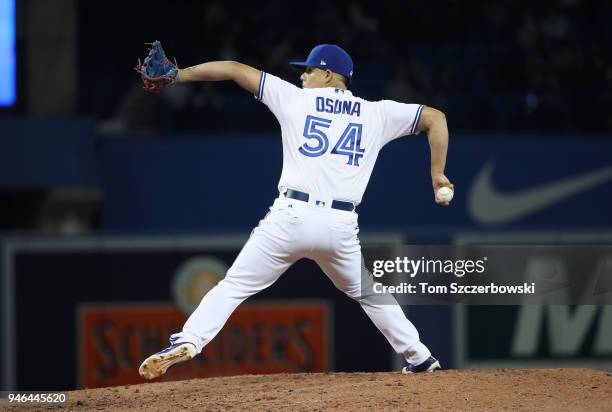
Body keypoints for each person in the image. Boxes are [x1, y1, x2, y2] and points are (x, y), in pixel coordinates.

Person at [139, 44, 453, 379]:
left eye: (308, 70)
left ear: (328, 74)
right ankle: (419, 357)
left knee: (234, 286)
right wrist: (437, 175)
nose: (302, 76)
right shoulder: (376, 113)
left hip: (290, 216)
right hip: (340, 225)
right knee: (368, 292)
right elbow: (436, 118)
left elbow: (232, 68)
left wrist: (179, 75)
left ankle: (188, 340)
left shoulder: (294, 98)